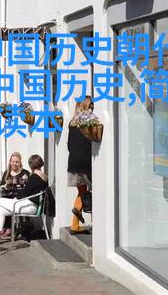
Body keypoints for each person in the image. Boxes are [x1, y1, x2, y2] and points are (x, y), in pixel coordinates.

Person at [0, 154, 48, 243]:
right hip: (33, 205)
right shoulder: (44, 176)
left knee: (0, 201)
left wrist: (15, 194)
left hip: (31, 206)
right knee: (0, 210)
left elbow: (23, 195)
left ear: (31, 165)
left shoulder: (34, 177)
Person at [67, 96, 94, 235]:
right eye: (91, 104)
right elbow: (91, 142)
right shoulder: (89, 121)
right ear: (85, 106)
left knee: (82, 192)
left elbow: (69, 144)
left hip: (73, 162)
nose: (93, 107)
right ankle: (77, 211)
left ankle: (75, 225)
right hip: (85, 162)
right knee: (90, 192)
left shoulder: (72, 122)